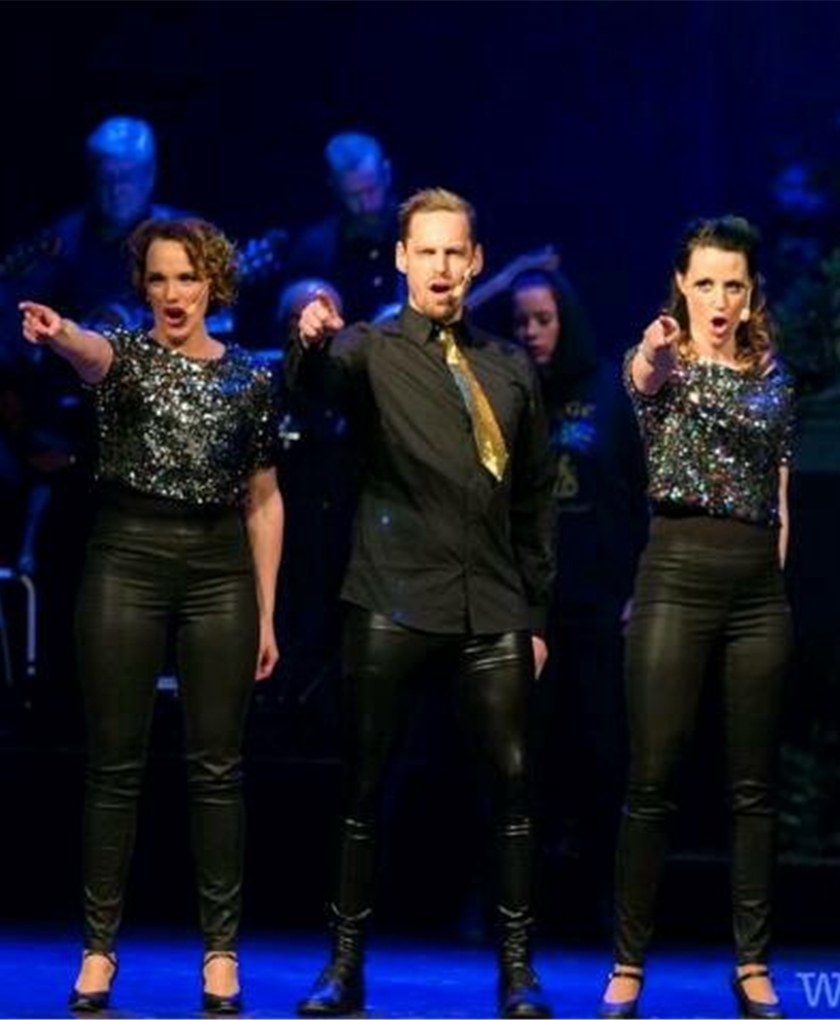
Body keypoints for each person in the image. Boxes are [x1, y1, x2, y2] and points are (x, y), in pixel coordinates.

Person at [287, 187, 555, 1019]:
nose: (440, 267)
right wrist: (307, 341)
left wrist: (535, 615)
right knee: (364, 786)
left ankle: (518, 972)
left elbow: (535, 497)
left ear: (475, 262)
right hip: (393, 593)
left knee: (512, 792)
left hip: (492, 603)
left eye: (454, 253)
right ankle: (343, 968)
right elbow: (314, 387)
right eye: (426, 251)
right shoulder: (366, 350)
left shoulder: (508, 366)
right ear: (403, 258)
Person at [19, 216, 283, 1015]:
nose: (173, 293)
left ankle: (221, 953)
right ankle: (98, 950)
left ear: (213, 285)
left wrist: (267, 614)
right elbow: (89, 354)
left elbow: (264, 500)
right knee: (114, 765)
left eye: (187, 278)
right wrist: (60, 331)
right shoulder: (126, 356)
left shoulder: (249, 379)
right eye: (160, 278)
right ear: (143, 287)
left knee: (217, 768)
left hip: (218, 569)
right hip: (126, 557)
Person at [597, 216, 795, 1020]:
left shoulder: (774, 377)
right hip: (676, 575)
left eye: (733, 285)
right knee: (652, 778)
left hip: (756, 589)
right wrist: (655, 349)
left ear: (751, 293)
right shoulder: (665, 361)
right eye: (706, 283)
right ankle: (627, 964)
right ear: (682, 284)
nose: (719, 300)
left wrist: (774, 576)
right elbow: (643, 376)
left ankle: (753, 965)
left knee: (753, 789)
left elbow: (780, 494)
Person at [508, 267, 648, 939]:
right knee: (525, 754)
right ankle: (514, 903)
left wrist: (640, 586)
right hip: (529, 606)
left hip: (598, 601)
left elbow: (643, 493)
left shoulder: (611, 391)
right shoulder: (514, 391)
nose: (532, 333)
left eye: (544, 319)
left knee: (601, 750)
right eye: (522, 322)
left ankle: (608, 901)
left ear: (567, 318)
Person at [283, 131, 405, 323]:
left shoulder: (422, 231)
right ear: (335, 187)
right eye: (353, 196)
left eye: (372, 190)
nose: (366, 205)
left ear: (387, 174)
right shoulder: (315, 249)